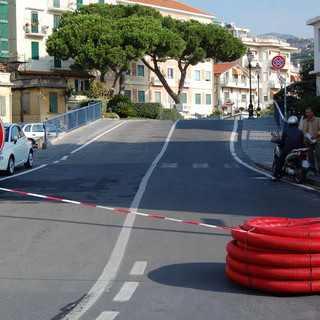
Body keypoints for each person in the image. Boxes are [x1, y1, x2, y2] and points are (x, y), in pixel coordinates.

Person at [272, 116, 304, 180]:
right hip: (298, 149)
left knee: (280, 161)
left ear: (289, 122)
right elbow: (302, 141)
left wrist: (279, 142)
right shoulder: (300, 131)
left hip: (288, 149)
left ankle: (275, 176)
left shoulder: (286, 130)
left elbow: (282, 141)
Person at [301, 107, 320, 174]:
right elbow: (303, 131)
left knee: (318, 155)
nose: (308, 114)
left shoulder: (318, 120)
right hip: (308, 142)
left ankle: (319, 170)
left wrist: (316, 135)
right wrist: (304, 139)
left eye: (309, 112)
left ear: (312, 112)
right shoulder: (305, 121)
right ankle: (313, 169)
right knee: (310, 156)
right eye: (306, 112)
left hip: (317, 141)